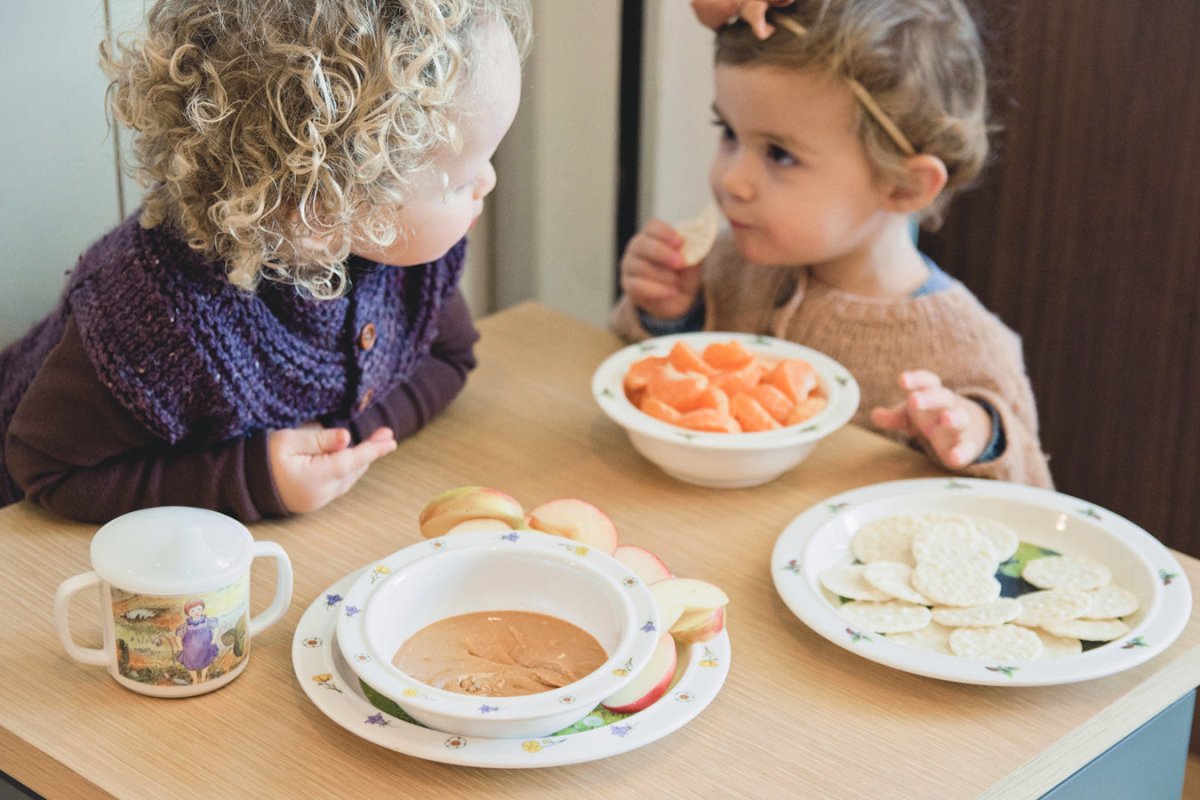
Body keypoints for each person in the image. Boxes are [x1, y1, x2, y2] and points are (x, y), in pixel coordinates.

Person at [0, 0, 531, 522]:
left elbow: (450, 358)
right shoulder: (158, 321)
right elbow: (45, 466)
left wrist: (346, 445)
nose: (489, 182)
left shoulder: (402, 255)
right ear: (322, 211)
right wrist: (251, 479)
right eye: (462, 179)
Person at [612, 0, 1052, 487]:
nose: (732, 179)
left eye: (779, 154)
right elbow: (639, 392)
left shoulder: (969, 346)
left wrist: (977, 432)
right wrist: (669, 314)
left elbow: (1030, 495)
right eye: (729, 133)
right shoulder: (723, 266)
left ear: (904, 186)